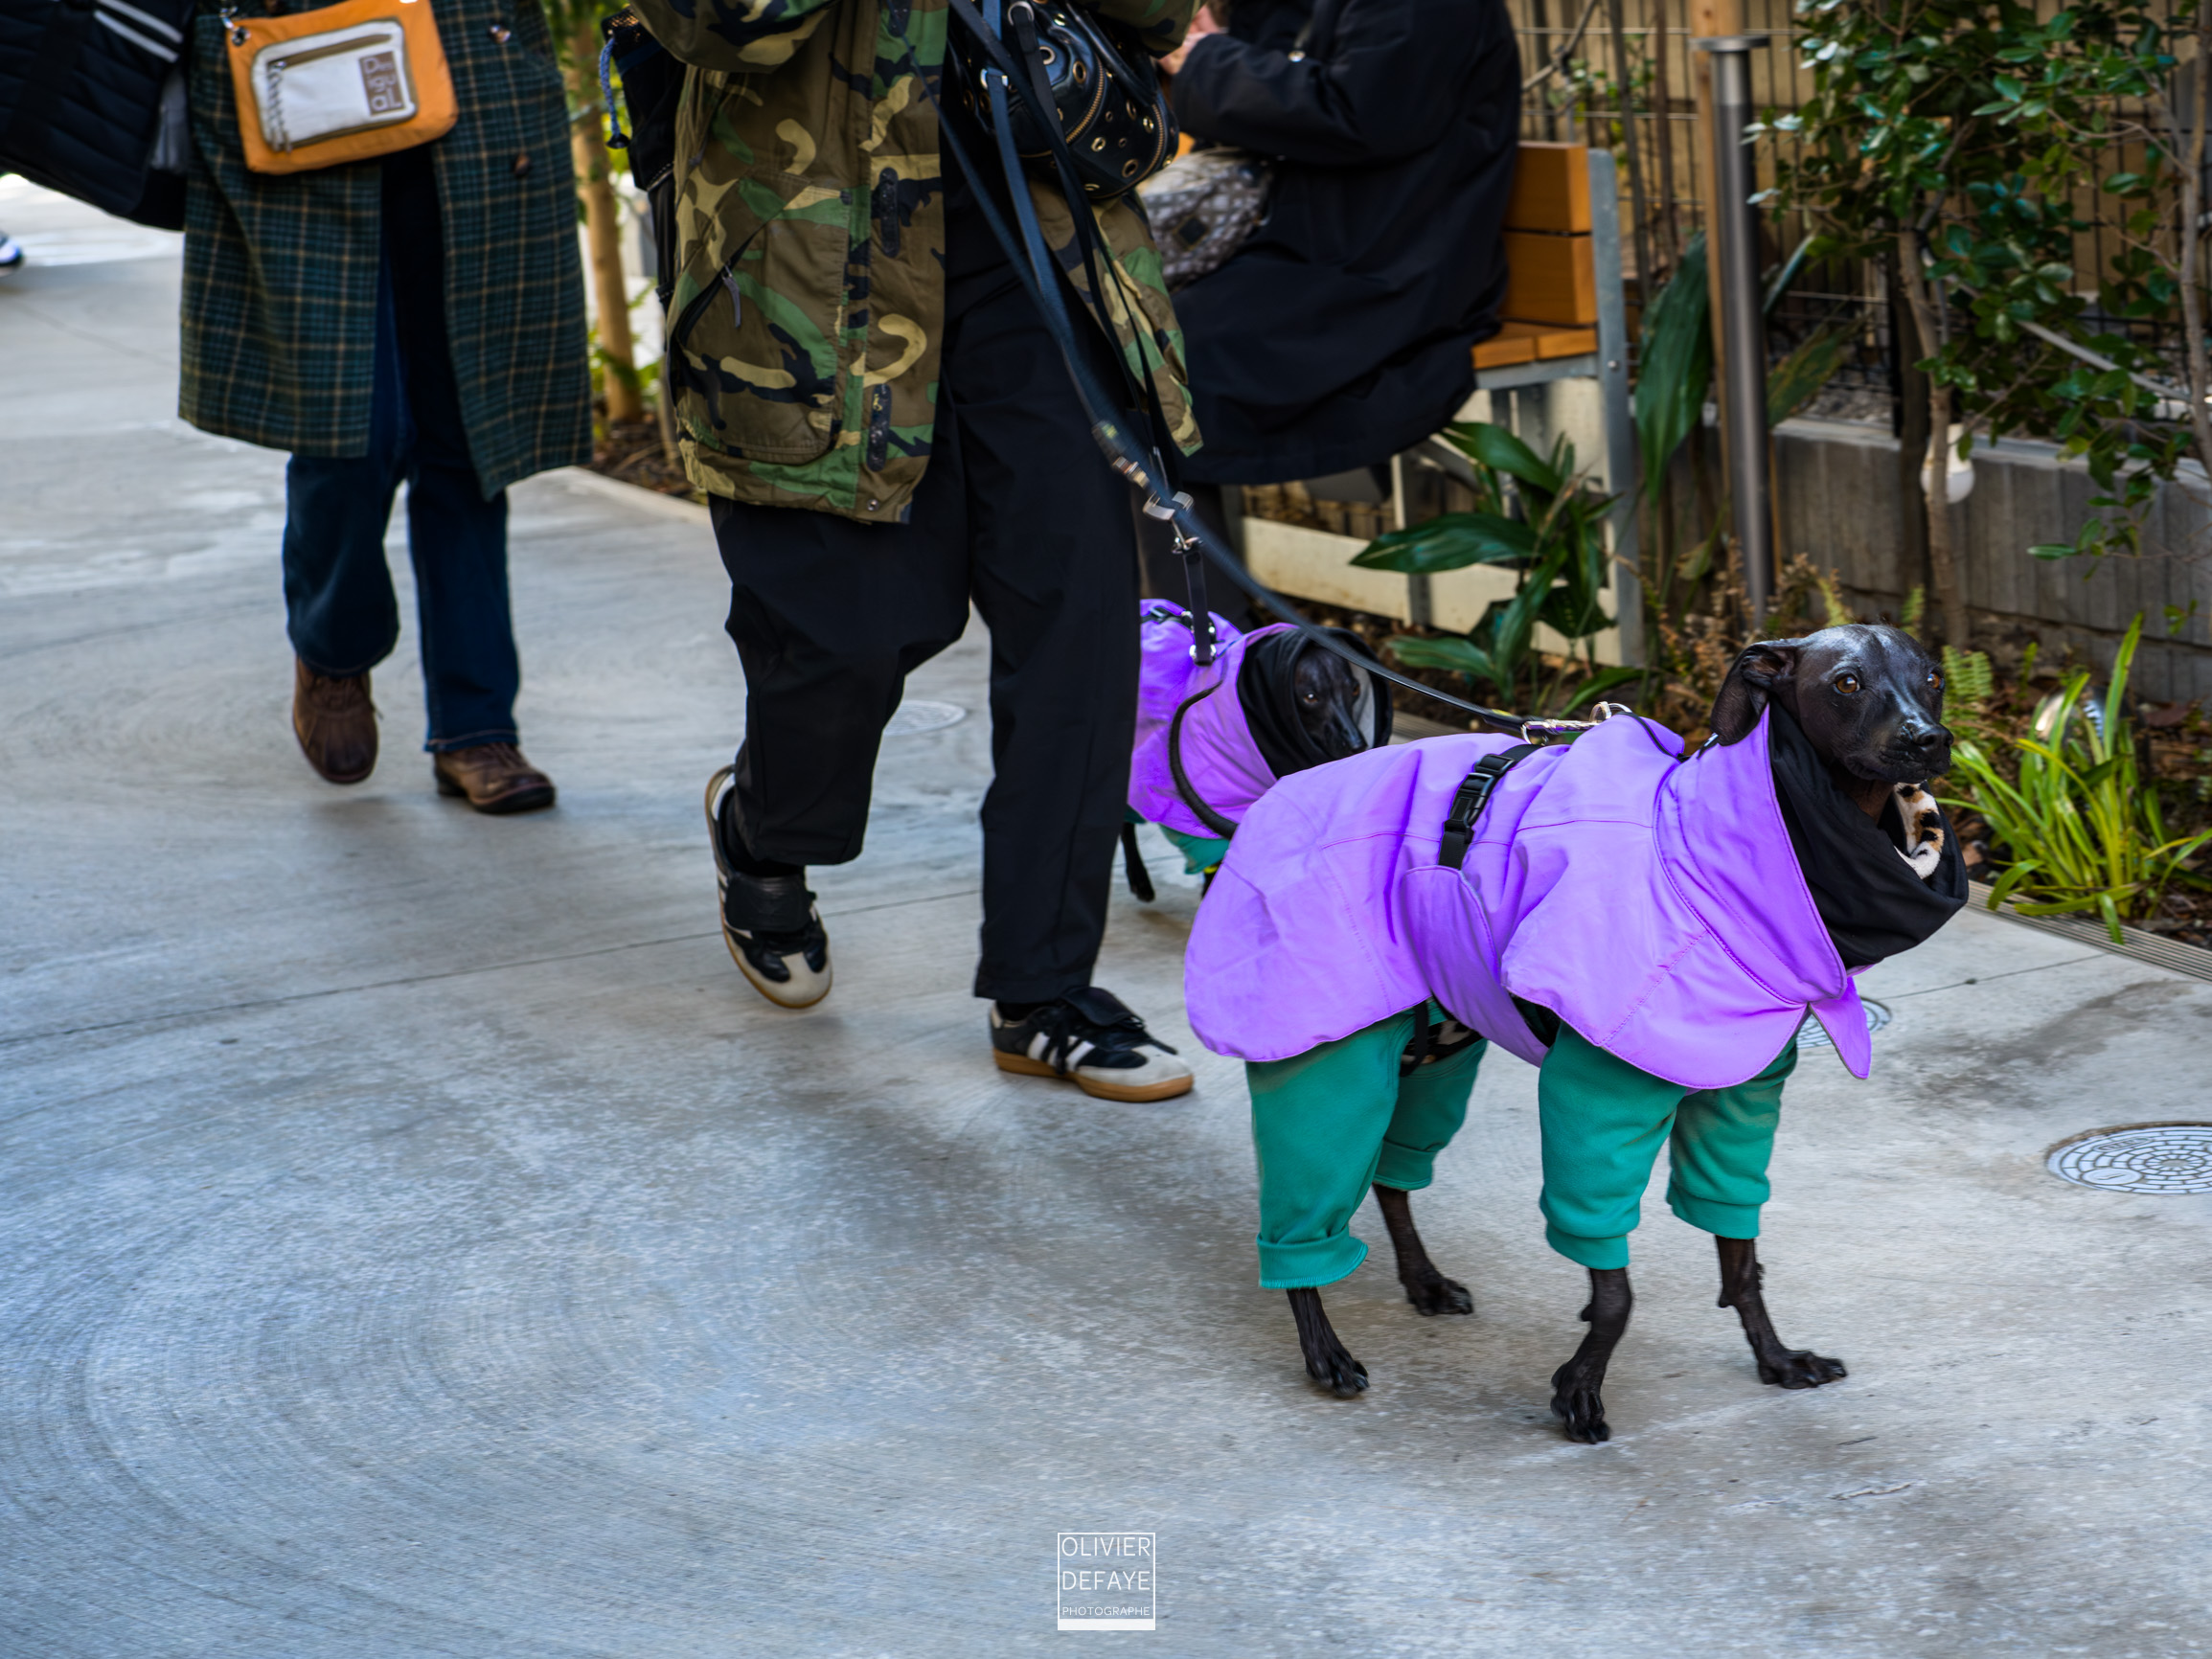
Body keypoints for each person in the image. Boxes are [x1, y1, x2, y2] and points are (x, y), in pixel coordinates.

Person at [632, 0, 1204, 1101]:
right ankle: (762, 832)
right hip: (807, 274)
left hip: (1032, 250)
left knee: (1076, 623)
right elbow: (718, 26)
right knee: (846, 638)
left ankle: (1043, 989)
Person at [178, 0, 590, 812]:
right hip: (303, 80)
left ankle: (476, 728)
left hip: (478, 90)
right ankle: (333, 651)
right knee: (348, 433)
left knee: (469, 437)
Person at [1144, 0, 1519, 597]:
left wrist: (1209, 59)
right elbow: (1273, 90)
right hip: (1316, 250)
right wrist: (1212, 51)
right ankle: (1184, 648)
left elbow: (1363, 111)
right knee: (1127, 353)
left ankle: (1206, 659)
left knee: (1156, 376)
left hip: (1390, 268)